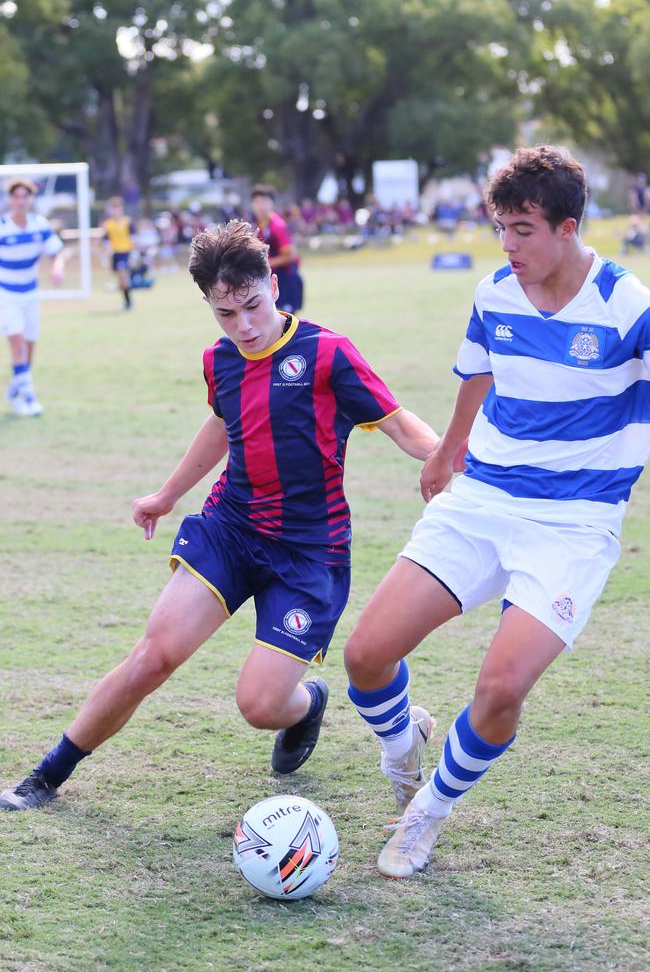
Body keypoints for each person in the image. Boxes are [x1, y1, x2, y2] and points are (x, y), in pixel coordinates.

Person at [0, 219, 440, 812]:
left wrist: (446, 456)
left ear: (274, 286)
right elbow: (222, 425)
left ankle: (307, 704)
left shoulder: (329, 353)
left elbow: (396, 420)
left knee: (259, 706)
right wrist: (167, 493)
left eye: (252, 307)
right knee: (152, 656)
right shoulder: (221, 361)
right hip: (231, 529)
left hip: (310, 552)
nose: (244, 327)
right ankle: (47, 775)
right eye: (225, 315)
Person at [343, 145, 650, 879]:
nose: (507, 245)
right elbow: (478, 373)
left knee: (502, 687)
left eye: (522, 230)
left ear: (568, 228)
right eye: (500, 228)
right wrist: (447, 453)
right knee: (365, 655)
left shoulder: (625, 303)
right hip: (482, 500)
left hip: (573, 524)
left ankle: (427, 814)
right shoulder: (494, 293)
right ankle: (401, 749)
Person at [1, 177, 65, 417]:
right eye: (16, 196)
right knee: (17, 345)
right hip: (6, 294)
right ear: (10, 200)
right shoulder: (2, 226)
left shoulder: (40, 225)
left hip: (30, 293)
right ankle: (29, 398)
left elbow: (56, 252)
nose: (20, 201)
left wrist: (57, 267)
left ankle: (15, 390)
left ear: (30, 199)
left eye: (24, 196)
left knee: (29, 350)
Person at [251, 184, 304, 313]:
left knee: (285, 324)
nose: (260, 206)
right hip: (270, 280)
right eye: (257, 202)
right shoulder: (260, 225)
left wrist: (262, 265)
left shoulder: (277, 225)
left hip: (285, 280)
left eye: (264, 201)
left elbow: (290, 255)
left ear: (272, 204)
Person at [101, 196, 135, 311]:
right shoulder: (108, 224)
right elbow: (106, 240)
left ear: (121, 209)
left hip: (125, 252)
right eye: (114, 208)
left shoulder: (127, 222)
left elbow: (133, 238)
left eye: (118, 208)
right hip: (114, 254)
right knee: (121, 281)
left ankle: (129, 302)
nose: (116, 211)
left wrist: (134, 252)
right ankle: (127, 301)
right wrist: (105, 255)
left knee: (122, 276)